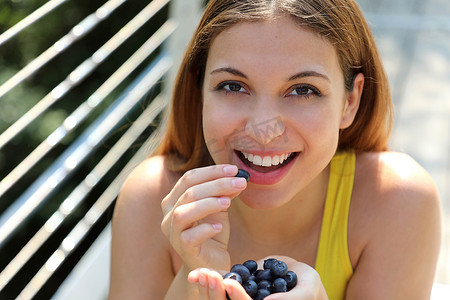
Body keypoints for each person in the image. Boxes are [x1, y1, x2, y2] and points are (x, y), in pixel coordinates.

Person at [108, 0, 442, 299]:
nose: (263, 131)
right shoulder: (151, 201)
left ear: (349, 102)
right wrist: (192, 283)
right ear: (200, 92)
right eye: (233, 86)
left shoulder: (396, 202)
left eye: (303, 90)